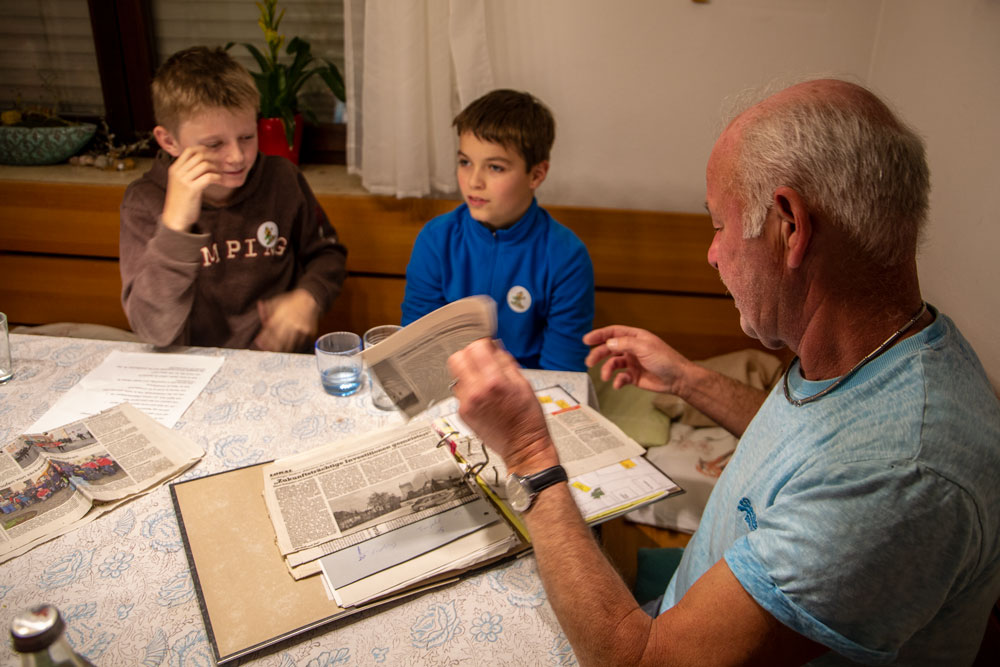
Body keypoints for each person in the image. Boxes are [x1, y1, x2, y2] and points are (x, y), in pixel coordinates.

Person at [447, 79, 1000, 665]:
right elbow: (808, 440)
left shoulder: (895, 477)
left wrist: (531, 453)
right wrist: (688, 379)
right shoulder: (885, 347)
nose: (712, 253)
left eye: (718, 225)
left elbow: (640, 662)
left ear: (790, 225)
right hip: (685, 595)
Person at [120, 46, 347, 351]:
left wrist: (308, 297)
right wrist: (175, 228)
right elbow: (154, 331)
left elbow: (326, 254)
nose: (237, 157)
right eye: (214, 144)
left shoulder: (282, 179)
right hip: (192, 368)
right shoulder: (144, 201)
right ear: (169, 141)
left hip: (276, 363)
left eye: (247, 137)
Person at [401, 89, 594, 371]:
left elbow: (563, 371)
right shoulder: (435, 241)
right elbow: (418, 352)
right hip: (451, 388)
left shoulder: (567, 257)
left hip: (532, 395)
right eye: (465, 162)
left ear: (536, 174)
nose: (474, 181)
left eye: (495, 167)